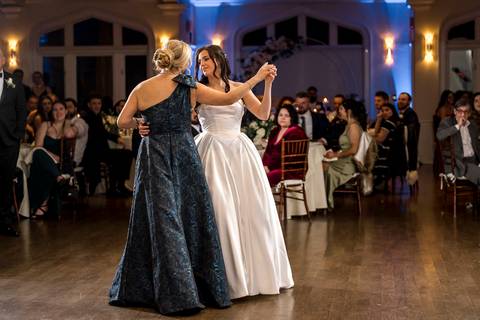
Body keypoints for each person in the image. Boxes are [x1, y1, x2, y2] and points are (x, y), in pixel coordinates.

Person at [109, 39, 275, 315]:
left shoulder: (142, 88)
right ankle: (186, 290)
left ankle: (159, 287)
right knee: (192, 218)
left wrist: (140, 123)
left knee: (161, 219)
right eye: (193, 60)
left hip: (156, 154)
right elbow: (227, 99)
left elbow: (121, 121)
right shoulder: (189, 88)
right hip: (185, 155)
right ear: (184, 62)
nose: (196, 64)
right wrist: (257, 78)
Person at [28, 101, 77, 218]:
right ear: (51, 112)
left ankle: (42, 205)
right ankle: (59, 177)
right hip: (44, 159)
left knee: (45, 169)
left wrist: (65, 122)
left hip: (61, 164)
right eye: (55, 110)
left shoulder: (70, 126)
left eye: (61, 109)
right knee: (38, 153)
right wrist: (51, 155)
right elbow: (38, 146)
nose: (58, 112)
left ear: (66, 111)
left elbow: (69, 134)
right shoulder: (46, 125)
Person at [0, 48, 26, 237]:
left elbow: (21, 112)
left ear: (3, 59)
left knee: (5, 181)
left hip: (9, 141)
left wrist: (17, 135)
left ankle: (5, 222)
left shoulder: (15, 82)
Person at [323, 99, 366, 209]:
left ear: (349, 111)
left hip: (349, 164)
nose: (339, 111)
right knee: (322, 165)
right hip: (345, 160)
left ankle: (326, 202)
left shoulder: (353, 127)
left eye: (341, 109)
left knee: (324, 168)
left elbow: (354, 150)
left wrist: (335, 155)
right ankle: (322, 201)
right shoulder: (348, 125)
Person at [263, 103, 308, 186]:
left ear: (292, 117)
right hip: (275, 168)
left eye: (287, 115)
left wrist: (269, 167)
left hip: (291, 170)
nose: (283, 118)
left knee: (264, 178)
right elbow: (268, 152)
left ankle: (265, 199)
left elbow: (291, 158)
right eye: (280, 115)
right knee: (255, 173)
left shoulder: (297, 133)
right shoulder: (275, 131)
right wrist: (265, 165)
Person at [437, 100, 480, 185]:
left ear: (469, 113)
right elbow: (440, 136)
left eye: (466, 112)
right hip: (459, 163)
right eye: (460, 111)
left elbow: (478, 145)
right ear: (455, 111)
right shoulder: (447, 122)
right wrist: (458, 126)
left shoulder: (473, 125)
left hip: (474, 161)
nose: (463, 115)